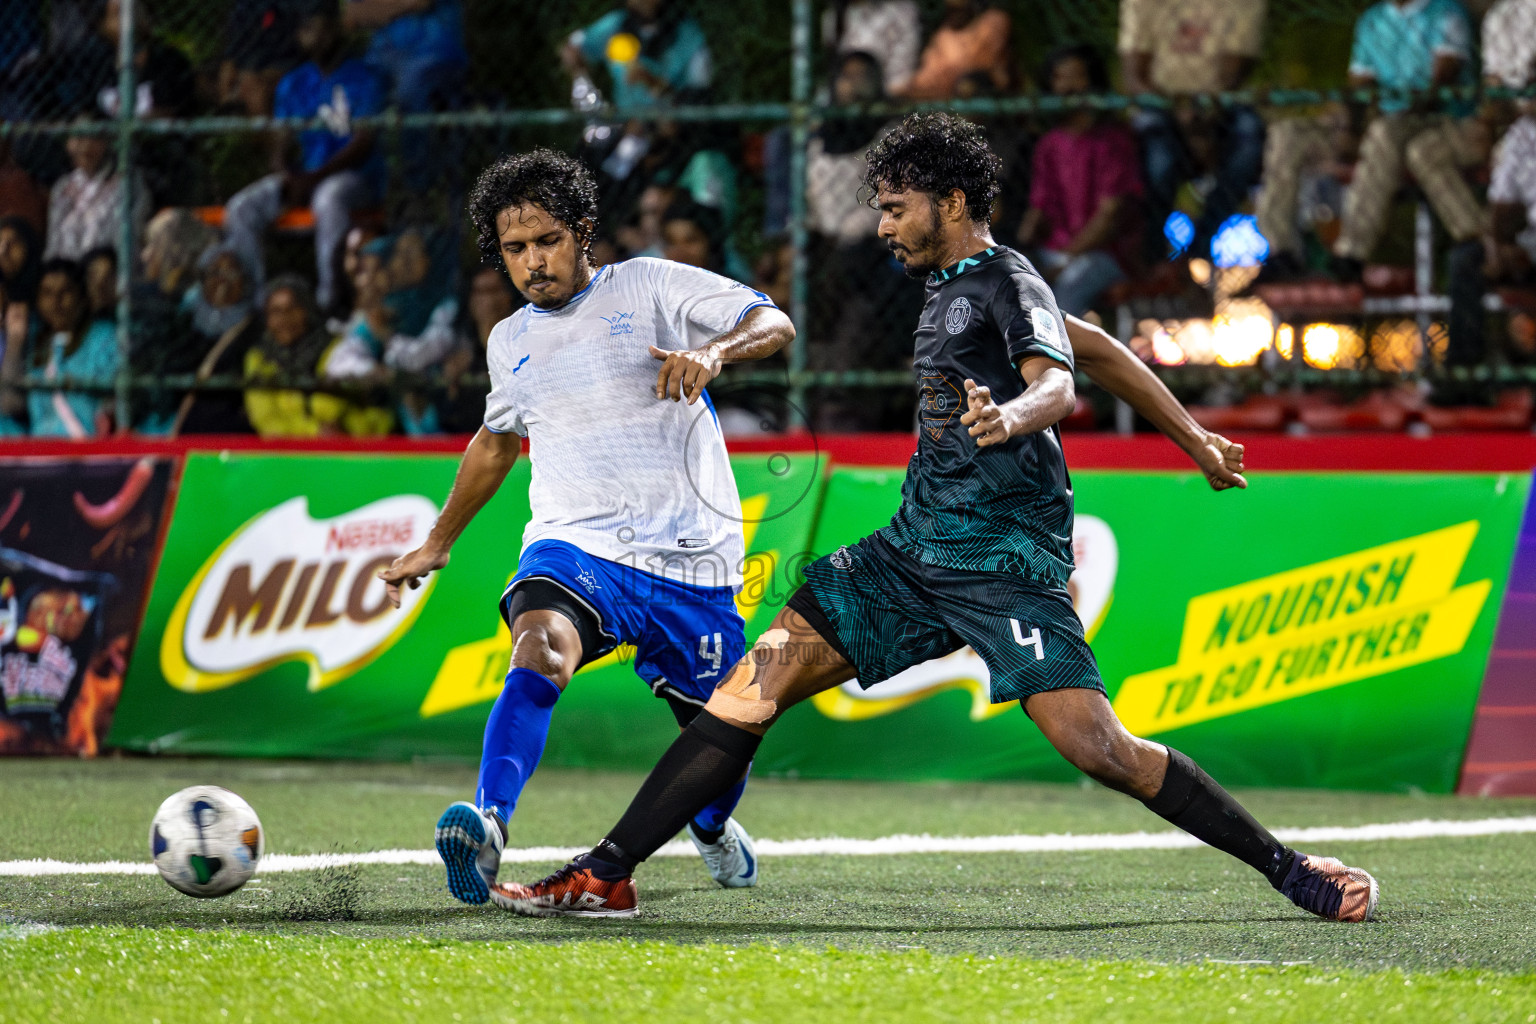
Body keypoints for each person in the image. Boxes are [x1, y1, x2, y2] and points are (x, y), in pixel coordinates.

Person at [490, 114, 1379, 926]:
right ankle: (604, 875)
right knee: (749, 689)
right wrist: (1193, 437)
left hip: (1001, 563)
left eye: (893, 207)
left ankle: (1288, 867)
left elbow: (1061, 380)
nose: (880, 225)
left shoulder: (1005, 277)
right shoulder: (954, 283)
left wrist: (1016, 416)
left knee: (1100, 748)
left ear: (950, 203)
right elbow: (1096, 346)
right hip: (909, 557)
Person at [375, 147, 795, 906]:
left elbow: (773, 320)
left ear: (582, 232)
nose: (533, 262)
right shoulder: (510, 340)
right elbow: (497, 442)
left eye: (546, 241)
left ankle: (708, 827)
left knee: (721, 747)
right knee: (539, 648)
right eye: (514, 248)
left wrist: (713, 350)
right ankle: (489, 825)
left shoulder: (650, 284)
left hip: (690, 559)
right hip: (576, 544)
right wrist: (437, 541)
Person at [223, 1, 385, 312]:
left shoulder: (364, 77)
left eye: (323, 27)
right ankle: (256, 306)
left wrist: (312, 180)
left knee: (329, 197)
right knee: (241, 208)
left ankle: (330, 302)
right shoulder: (293, 82)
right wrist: (287, 176)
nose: (317, 36)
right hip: (304, 177)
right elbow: (280, 144)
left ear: (337, 29)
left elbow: (363, 142)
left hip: (356, 179)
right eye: (308, 29)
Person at [1327, 0, 1483, 280]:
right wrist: (1351, 130)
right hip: (1392, 123)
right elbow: (1359, 86)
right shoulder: (1372, 20)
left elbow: (1442, 81)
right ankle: (1300, 253)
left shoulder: (1446, 12)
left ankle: (1352, 251)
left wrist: (1390, 115)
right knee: (1303, 134)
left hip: (1445, 118)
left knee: (1390, 136)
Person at [1119, 0, 1267, 259]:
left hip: (1219, 105)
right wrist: (1177, 110)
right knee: (1158, 156)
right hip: (1158, 105)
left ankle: (1204, 238)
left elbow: (1232, 74)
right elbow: (1134, 76)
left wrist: (1203, 115)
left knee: (1250, 133)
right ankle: (1150, 247)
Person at [1018, 45, 1143, 318]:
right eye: (1060, 78)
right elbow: (1038, 208)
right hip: (1054, 249)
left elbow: (1110, 214)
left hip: (1104, 253)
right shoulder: (1049, 144)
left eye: (1077, 76)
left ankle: (1058, 359)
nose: (1068, 86)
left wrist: (1066, 257)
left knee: (1066, 292)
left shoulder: (1113, 141)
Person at [1444, 0, 1536, 369]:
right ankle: (1464, 375)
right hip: (1527, 245)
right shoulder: (1521, 138)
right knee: (1466, 261)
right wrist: (1500, 245)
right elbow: (1503, 206)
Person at [244, 273, 355, 438]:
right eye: (275, 311)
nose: (284, 318)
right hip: (285, 455)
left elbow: (329, 410)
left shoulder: (337, 348)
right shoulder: (259, 358)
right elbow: (266, 421)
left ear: (308, 310)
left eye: (292, 308)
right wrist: (314, 431)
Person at [562, 0, 712, 110]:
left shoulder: (687, 33)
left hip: (669, 124)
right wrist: (577, 67)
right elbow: (575, 44)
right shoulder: (616, 24)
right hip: (625, 120)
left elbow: (698, 96)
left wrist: (650, 80)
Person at [28, 257, 119, 438]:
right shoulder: (37, 345)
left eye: (66, 291)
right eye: (47, 293)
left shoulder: (105, 337)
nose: (56, 301)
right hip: (43, 452)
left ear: (82, 298)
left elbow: (114, 395)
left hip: (91, 450)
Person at [45, 121, 151, 262]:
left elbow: (130, 235)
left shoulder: (128, 182)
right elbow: (54, 240)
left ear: (106, 143)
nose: (86, 146)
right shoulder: (62, 187)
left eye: (94, 137)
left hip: (109, 267)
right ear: (68, 143)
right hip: (68, 272)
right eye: (79, 137)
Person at [895, 0, 1012, 101]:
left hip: (979, 109)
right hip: (935, 104)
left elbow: (986, 68)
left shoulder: (992, 23)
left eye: (958, 9)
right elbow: (926, 80)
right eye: (950, 9)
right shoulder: (944, 34)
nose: (953, 14)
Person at [822, 0, 921, 95]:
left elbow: (900, 80)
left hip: (886, 99)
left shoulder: (901, 10)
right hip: (843, 99)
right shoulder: (832, 17)